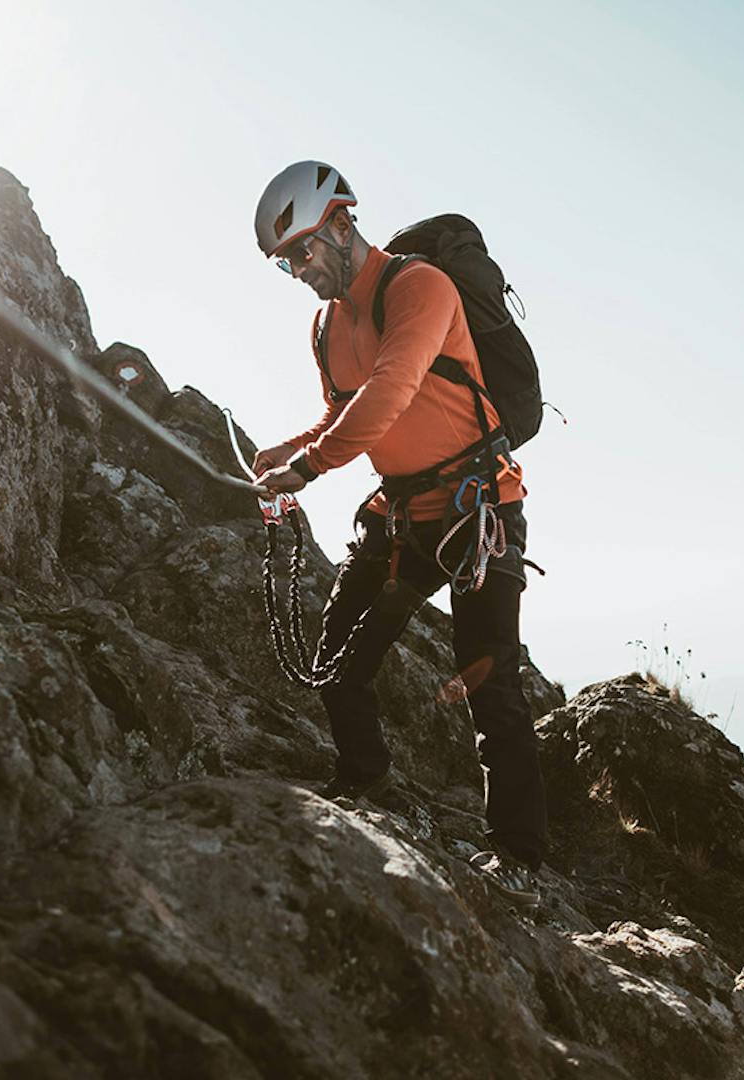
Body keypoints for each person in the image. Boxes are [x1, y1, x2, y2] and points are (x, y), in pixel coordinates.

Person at [250, 160, 545, 907]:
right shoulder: (326, 326)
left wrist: (311, 469)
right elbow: (341, 411)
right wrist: (285, 451)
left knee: (491, 685)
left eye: (302, 252)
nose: (296, 272)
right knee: (338, 655)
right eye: (284, 262)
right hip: (404, 514)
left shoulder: (418, 286)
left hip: (479, 511)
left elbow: (392, 390)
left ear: (342, 225)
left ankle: (520, 856)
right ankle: (362, 784)